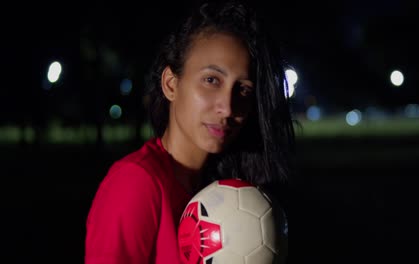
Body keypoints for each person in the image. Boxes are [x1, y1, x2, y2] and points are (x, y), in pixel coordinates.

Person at [85, 0, 295, 263]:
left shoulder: (232, 193)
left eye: (242, 89)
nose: (228, 108)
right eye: (211, 80)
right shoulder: (136, 182)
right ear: (171, 84)